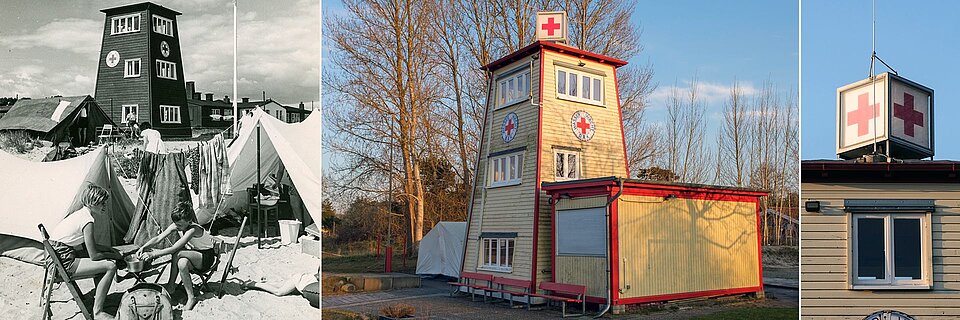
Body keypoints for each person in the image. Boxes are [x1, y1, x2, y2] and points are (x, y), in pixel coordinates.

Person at [47, 185, 122, 319]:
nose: (104, 206)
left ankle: (99, 302)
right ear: (93, 203)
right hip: (62, 262)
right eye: (101, 203)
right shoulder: (87, 220)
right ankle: (98, 312)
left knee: (103, 264)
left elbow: (87, 245)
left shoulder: (81, 214)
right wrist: (113, 256)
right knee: (110, 266)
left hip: (56, 256)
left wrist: (107, 249)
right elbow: (94, 255)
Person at [137, 202, 216, 310]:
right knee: (182, 263)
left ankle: (171, 285)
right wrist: (144, 247)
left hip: (206, 257)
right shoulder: (178, 225)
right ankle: (191, 297)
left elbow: (174, 248)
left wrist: (153, 254)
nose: (177, 227)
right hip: (194, 254)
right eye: (176, 224)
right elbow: (158, 238)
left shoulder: (193, 229)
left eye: (180, 225)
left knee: (177, 253)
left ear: (189, 221)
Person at [242, 270, 319, 307]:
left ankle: (258, 283)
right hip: (303, 280)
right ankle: (254, 284)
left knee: (279, 285)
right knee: (279, 292)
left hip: (306, 279)